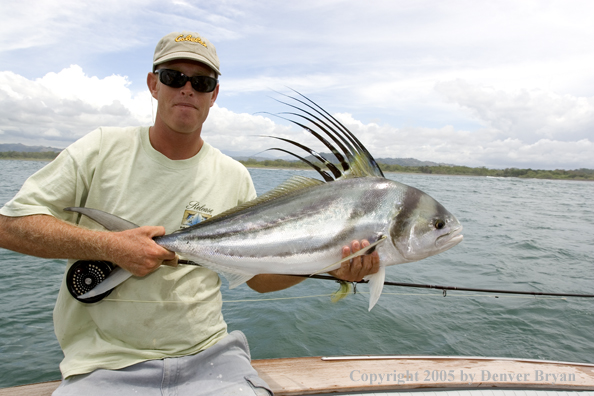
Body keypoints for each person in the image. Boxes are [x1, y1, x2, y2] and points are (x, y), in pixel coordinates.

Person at [0, 31, 379, 395]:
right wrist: (111, 246)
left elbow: (258, 278)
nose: (187, 89)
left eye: (201, 82)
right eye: (173, 77)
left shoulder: (233, 176)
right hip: (105, 364)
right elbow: (10, 226)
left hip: (211, 357)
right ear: (153, 84)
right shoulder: (100, 149)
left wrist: (328, 264)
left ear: (214, 95)